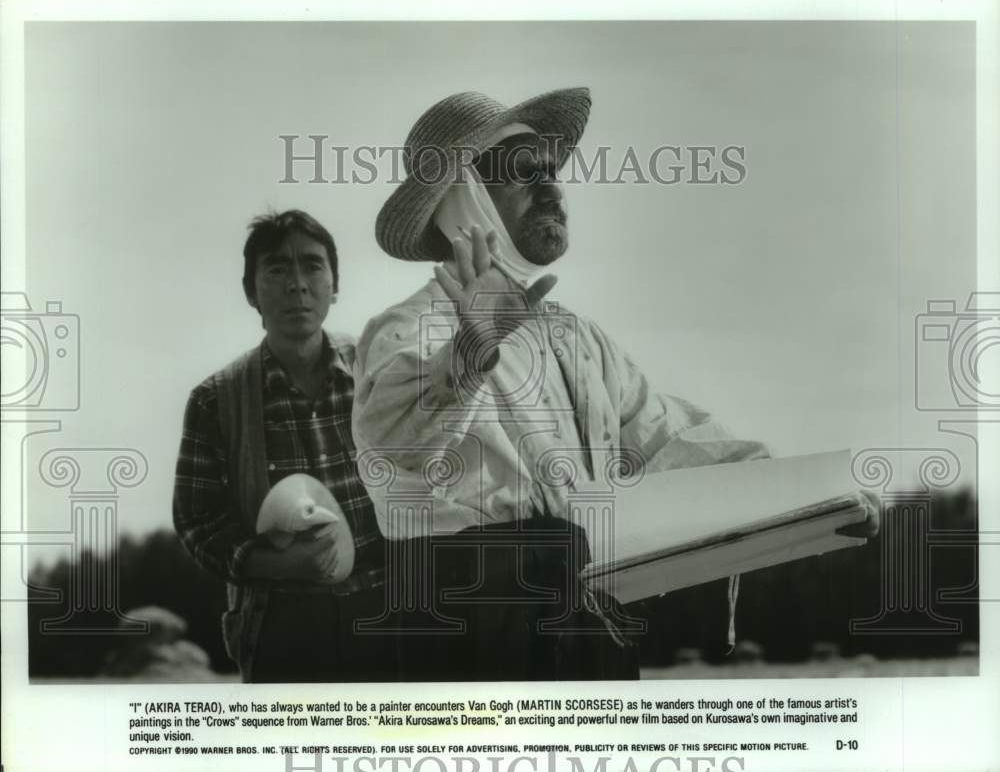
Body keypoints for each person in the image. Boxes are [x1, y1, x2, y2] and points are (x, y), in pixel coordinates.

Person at [353, 88, 879, 682]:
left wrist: (809, 499)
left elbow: (667, 441)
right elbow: (390, 442)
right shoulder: (408, 330)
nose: (552, 189)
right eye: (525, 174)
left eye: (553, 172)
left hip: (588, 613)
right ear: (463, 203)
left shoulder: (577, 338)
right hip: (469, 632)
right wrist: (470, 353)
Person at [173, 209, 393, 683]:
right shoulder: (217, 399)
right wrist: (270, 563)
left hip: (391, 617)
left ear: (335, 284)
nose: (297, 284)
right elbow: (196, 520)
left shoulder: (377, 369)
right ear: (251, 292)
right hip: (283, 628)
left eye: (313, 265)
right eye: (277, 269)